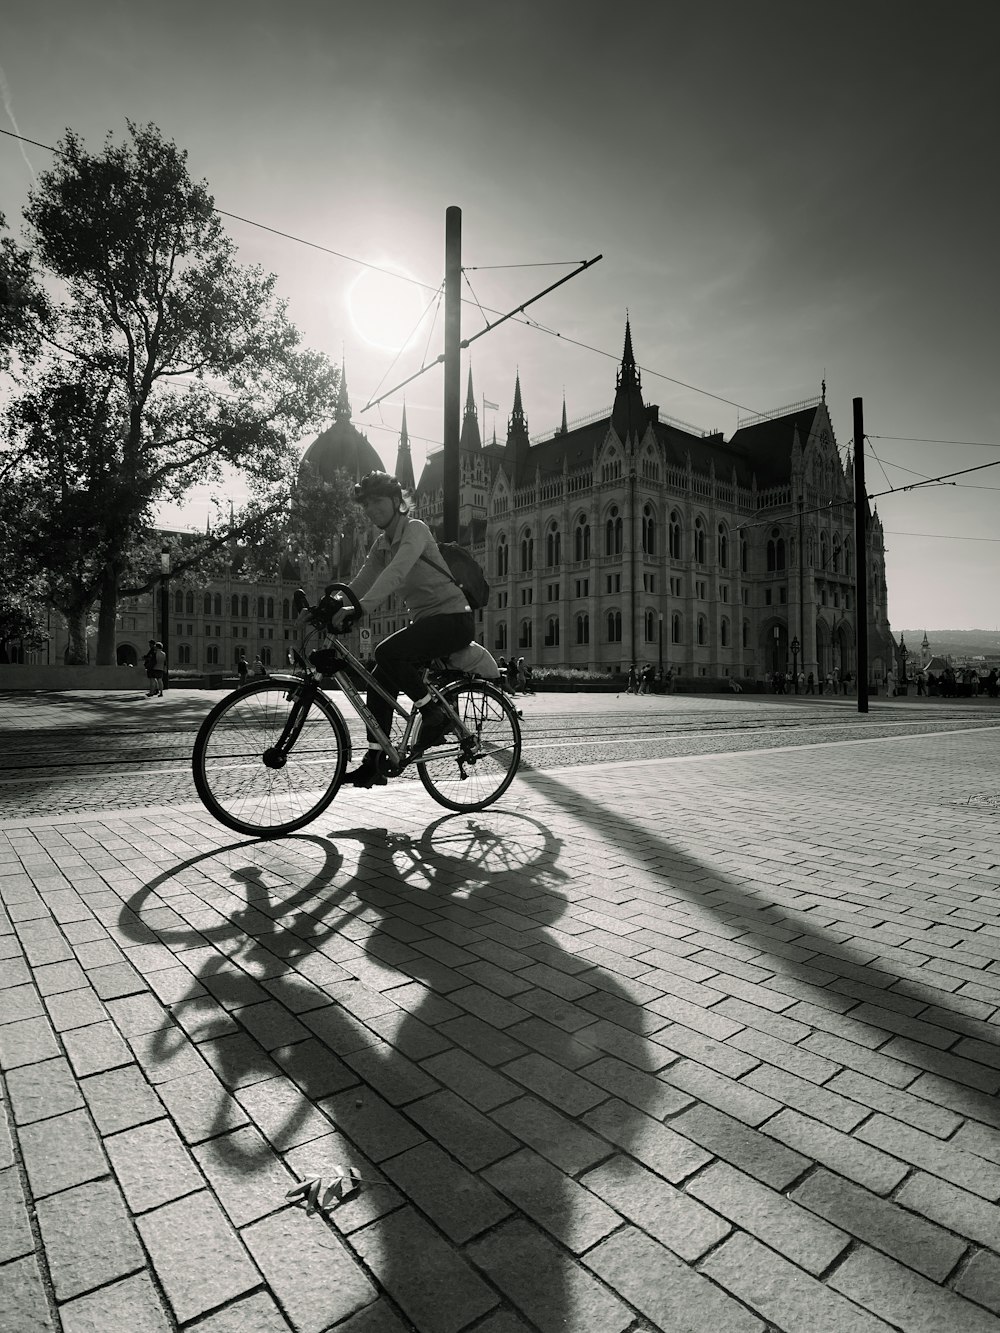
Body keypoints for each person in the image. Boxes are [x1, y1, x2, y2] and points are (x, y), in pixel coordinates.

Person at [326, 471, 475, 788]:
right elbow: (360, 582)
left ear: (396, 501)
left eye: (377, 501)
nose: (371, 509)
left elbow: (397, 572)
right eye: (367, 504)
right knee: (379, 678)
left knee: (385, 652)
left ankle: (434, 715)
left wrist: (360, 608)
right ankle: (375, 761)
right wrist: (327, 605)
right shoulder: (382, 544)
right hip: (428, 623)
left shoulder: (415, 530)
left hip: (453, 619)